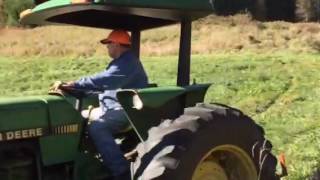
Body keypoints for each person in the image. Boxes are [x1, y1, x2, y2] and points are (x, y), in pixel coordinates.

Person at [59, 30, 148, 180]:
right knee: (75, 119)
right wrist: (75, 90)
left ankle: (121, 172)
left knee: (97, 127)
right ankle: (87, 161)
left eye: (108, 44)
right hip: (111, 107)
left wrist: (77, 84)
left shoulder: (128, 62)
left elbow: (105, 80)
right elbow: (104, 87)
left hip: (126, 109)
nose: (107, 48)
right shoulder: (119, 63)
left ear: (116, 44)